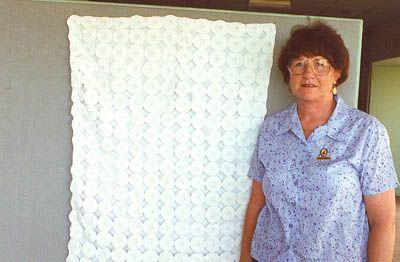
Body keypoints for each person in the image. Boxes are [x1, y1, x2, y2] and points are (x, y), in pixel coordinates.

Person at [240, 21, 399, 262]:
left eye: (320, 64)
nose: (308, 73)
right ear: (289, 74)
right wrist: (244, 258)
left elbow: (383, 222)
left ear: (337, 73)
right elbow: (256, 204)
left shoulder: (366, 132)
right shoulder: (272, 130)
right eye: (299, 64)